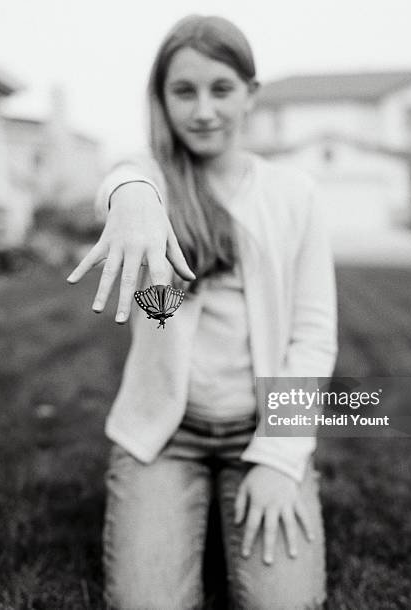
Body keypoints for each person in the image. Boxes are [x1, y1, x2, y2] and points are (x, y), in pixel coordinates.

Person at [67, 14, 338, 610]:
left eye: (222, 89)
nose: (204, 110)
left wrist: (279, 459)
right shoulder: (152, 183)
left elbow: (314, 338)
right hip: (167, 436)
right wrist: (132, 198)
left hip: (260, 427)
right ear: (161, 98)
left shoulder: (294, 196)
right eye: (183, 91)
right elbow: (122, 176)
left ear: (251, 95)